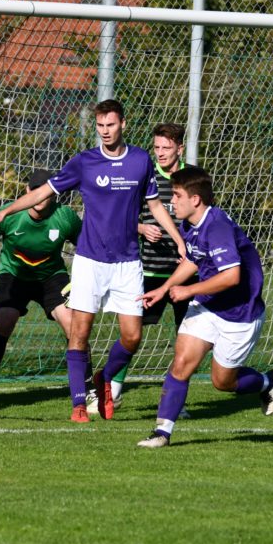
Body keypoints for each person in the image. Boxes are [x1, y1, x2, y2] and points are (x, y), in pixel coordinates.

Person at [0, 99, 185, 423]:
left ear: (123, 124)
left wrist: (178, 240)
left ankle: (104, 377)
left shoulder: (140, 161)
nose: (105, 131)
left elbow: (157, 206)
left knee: (132, 337)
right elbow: (42, 193)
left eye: (110, 125)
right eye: (100, 126)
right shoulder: (84, 162)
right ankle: (79, 403)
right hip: (90, 261)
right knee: (80, 333)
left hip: (127, 263)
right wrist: (6, 211)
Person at [137, 166, 273, 448]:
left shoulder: (217, 227)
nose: (172, 201)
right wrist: (164, 289)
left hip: (240, 313)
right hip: (208, 305)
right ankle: (162, 433)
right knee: (181, 363)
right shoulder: (190, 224)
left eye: (177, 196)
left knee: (223, 382)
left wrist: (188, 289)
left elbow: (231, 276)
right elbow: (193, 260)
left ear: (196, 200)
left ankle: (267, 382)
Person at [94, 122, 197, 413]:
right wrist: (140, 228)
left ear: (179, 148)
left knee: (186, 341)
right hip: (149, 272)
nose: (161, 153)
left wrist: (191, 251)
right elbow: (119, 214)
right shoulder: (142, 173)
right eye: (157, 148)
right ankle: (111, 390)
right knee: (132, 334)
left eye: (167, 148)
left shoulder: (192, 178)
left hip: (183, 274)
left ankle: (177, 402)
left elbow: (202, 219)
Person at [0, 169, 83, 408]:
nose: (40, 199)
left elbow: (88, 247)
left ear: (54, 195)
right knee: (6, 320)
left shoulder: (65, 217)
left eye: (45, 195)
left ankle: (86, 389)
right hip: (15, 275)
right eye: (35, 193)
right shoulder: (10, 215)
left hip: (51, 276)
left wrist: (81, 279)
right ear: (27, 192)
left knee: (73, 324)